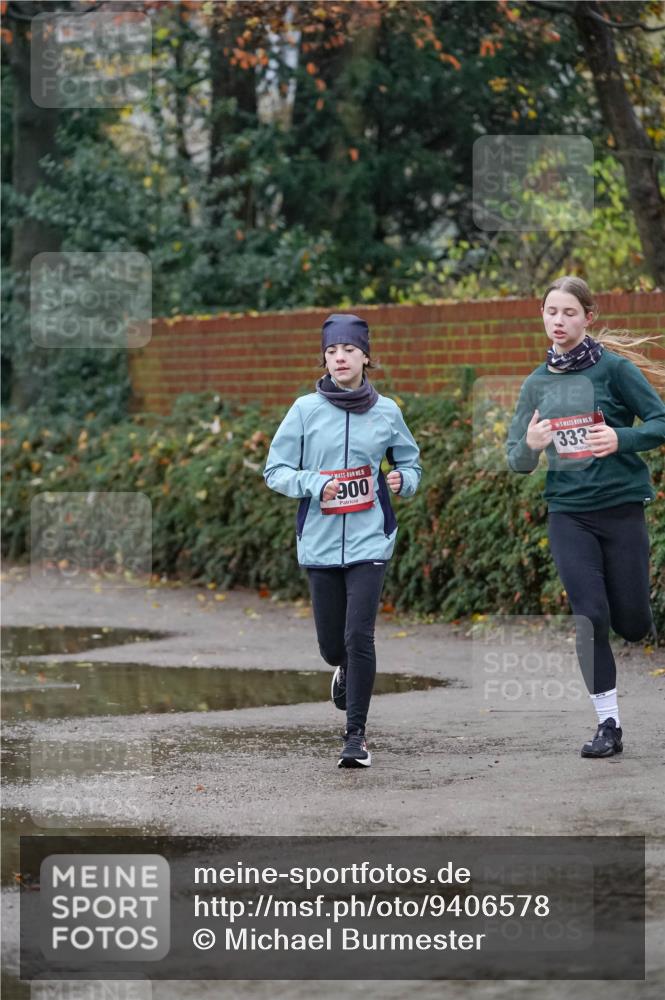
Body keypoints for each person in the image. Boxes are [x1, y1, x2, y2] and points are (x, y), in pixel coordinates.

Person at [507, 276, 665, 758]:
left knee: (633, 622)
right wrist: (530, 448)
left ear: (588, 317)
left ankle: (639, 620)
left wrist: (622, 438)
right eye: (551, 312)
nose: (558, 321)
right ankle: (608, 724)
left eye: (569, 312)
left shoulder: (615, 371)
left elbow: (659, 422)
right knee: (590, 617)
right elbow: (516, 457)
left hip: (621, 510)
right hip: (569, 514)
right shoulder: (537, 383)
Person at [263, 313, 422, 768]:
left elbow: (410, 463)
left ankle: (356, 738)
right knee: (334, 647)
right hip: (319, 541)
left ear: (366, 356)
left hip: (371, 540)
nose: (339, 358)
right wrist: (315, 484)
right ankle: (342, 669)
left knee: (359, 636)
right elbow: (275, 471)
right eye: (331, 351)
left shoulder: (387, 411)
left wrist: (402, 481)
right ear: (324, 358)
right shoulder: (304, 410)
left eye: (348, 350)